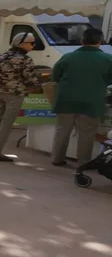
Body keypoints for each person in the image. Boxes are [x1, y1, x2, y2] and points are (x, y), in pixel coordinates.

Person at [50, 27, 112, 166]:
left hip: (65, 99)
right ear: (100, 41)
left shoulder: (68, 57)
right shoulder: (108, 59)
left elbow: (55, 76)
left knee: (62, 130)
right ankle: (83, 163)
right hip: (92, 101)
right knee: (87, 133)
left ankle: (57, 158)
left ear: (81, 41)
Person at [0, 32, 41, 161]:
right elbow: (30, 80)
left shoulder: (0, 56)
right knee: (6, 123)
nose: (33, 45)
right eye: (31, 43)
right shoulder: (25, 60)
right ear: (21, 43)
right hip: (15, 94)